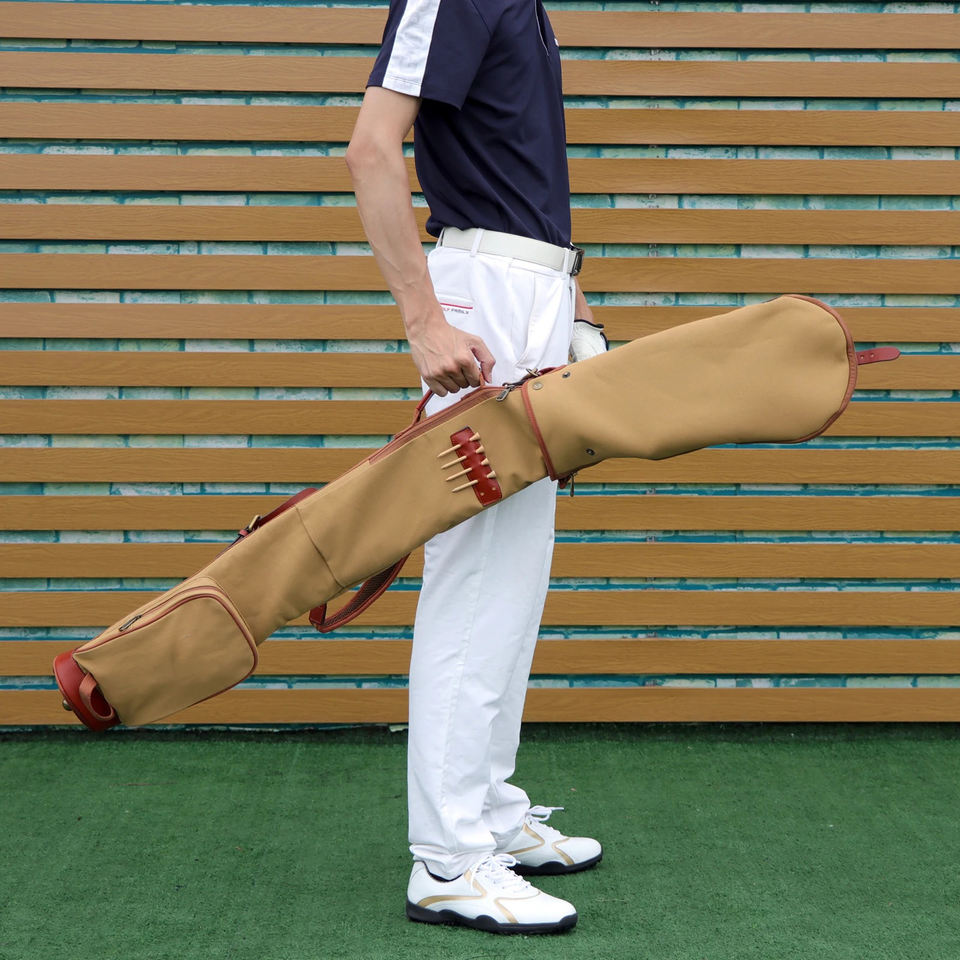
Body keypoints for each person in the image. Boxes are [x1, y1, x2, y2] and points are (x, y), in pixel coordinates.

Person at [345, 0, 607, 936]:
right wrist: (423, 322)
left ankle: (489, 813)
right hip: (483, 303)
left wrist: (578, 315)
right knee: (476, 579)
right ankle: (449, 860)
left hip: (536, 293)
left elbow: (526, 177)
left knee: (514, 583)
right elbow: (371, 148)